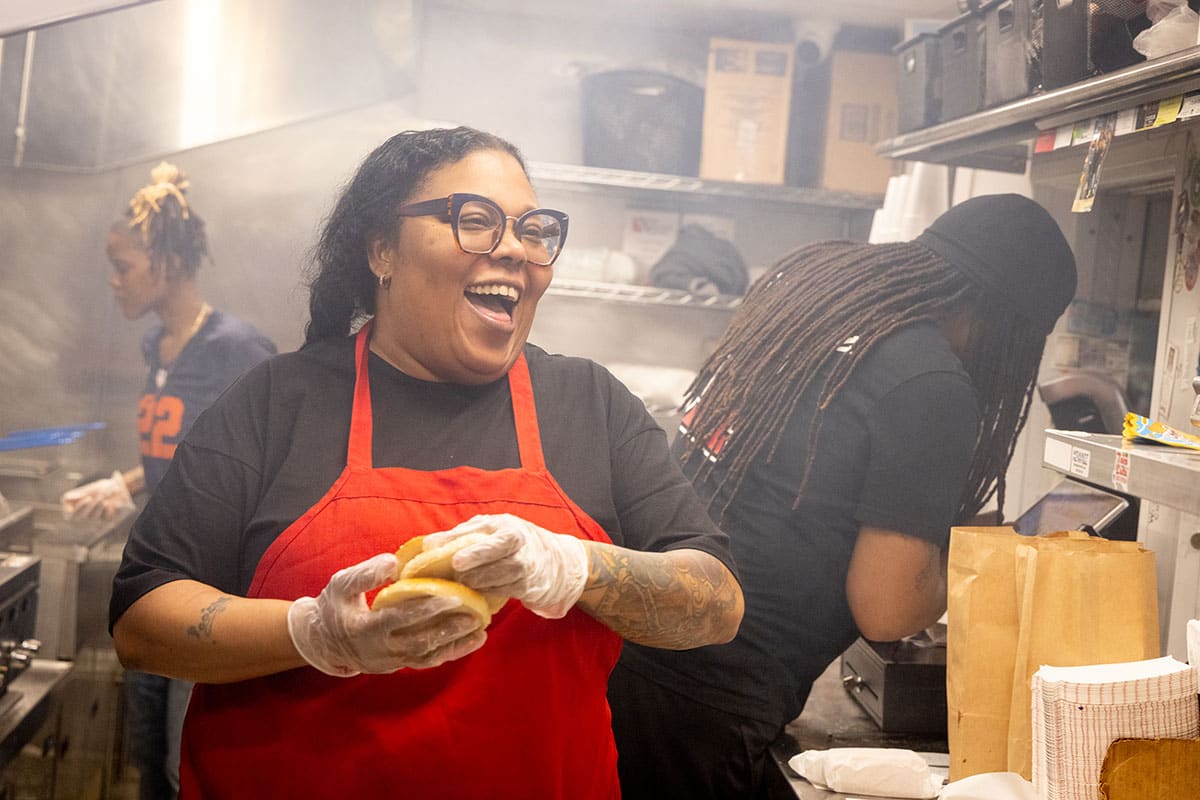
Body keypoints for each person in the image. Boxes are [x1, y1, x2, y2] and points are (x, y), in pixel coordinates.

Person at [108, 126, 744, 799]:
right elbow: (141, 622)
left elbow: (717, 603)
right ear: (382, 248)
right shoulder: (278, 403)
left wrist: (574, 565)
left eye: (532, 230)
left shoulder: (591, 406)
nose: (513, 248)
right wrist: (315, 634)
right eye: (475, 221)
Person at [607, 194, 1078, 799]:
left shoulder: (813, 300)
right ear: (1006, 323)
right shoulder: (931, 382)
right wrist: (981, 567)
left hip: (635, 660)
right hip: (705, 706)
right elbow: (886, 608)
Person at [62, 162, 276, 800]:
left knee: (189, 772)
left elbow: (254, 470)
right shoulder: (158, 345)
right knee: (151, 762)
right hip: (158, 580)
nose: (114, 280)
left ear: (167, 264)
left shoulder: (237, 350)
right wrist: (129, 484)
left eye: (123, 265)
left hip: (208, 594)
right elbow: (187, 453)